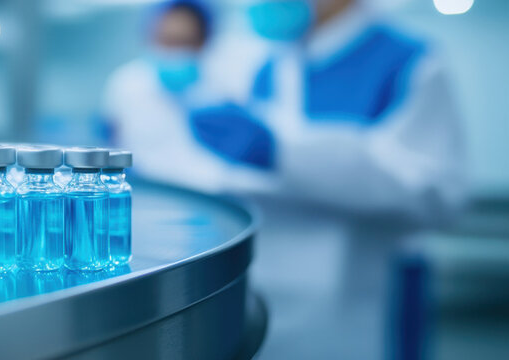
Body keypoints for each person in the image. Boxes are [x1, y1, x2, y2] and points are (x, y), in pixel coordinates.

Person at [103, 0, 466, 358]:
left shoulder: (407, 62)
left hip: (356, 303)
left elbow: (437, 195)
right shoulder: (271, 65)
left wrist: (285, 154)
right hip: (265, 297)